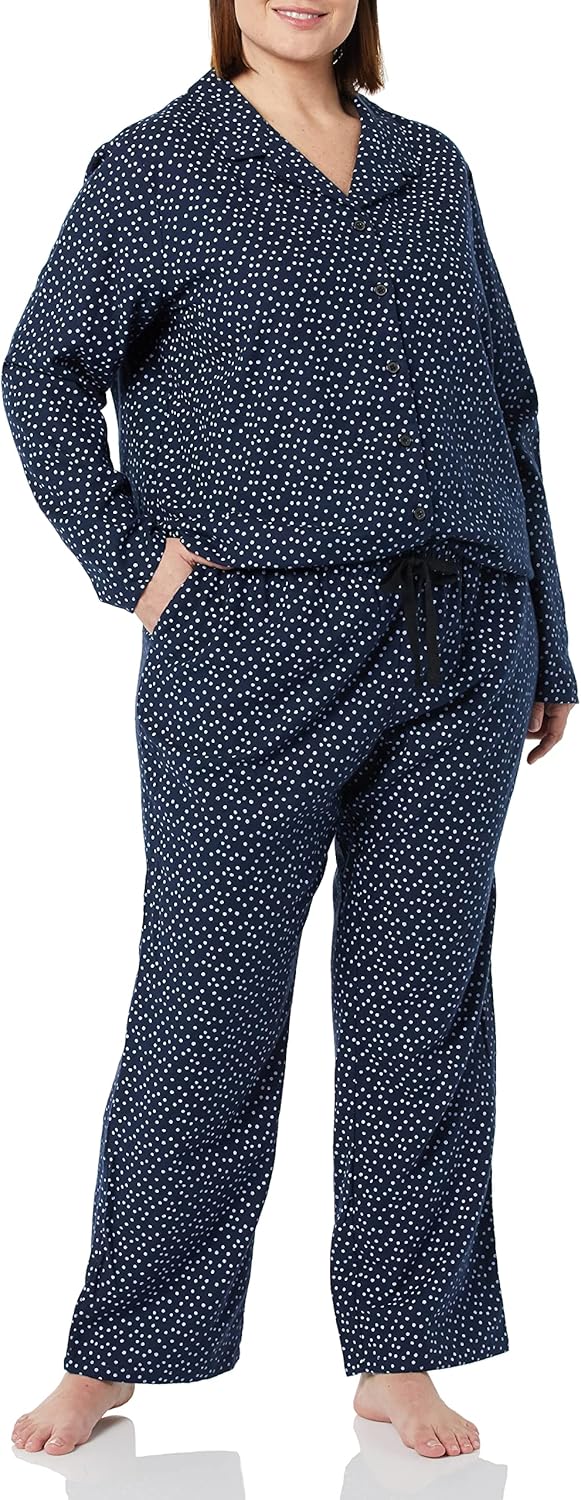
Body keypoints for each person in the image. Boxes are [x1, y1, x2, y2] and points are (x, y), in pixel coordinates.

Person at [3, 0, 577, 1466]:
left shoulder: (429, 164)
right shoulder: (158, 165)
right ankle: (119, 1346)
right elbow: (42, 373)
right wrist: (132, 564)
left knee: (422, 1008)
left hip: (462, 632)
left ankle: (400, 1352)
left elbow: (505, 403)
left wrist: (551, 637)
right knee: (207, 998)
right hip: (248, 641)